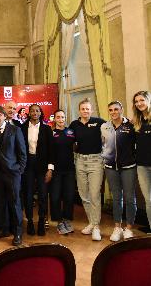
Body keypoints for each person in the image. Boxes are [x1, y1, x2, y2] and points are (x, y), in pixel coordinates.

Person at [0, 106, 26, 246]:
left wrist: (19, 170)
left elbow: (22, 153)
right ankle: (3, 229)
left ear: (5, 116)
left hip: (12, 173)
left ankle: (17, 233)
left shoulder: (15, 130)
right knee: (0, 203)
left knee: (15, 203)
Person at [69, 98, 105, 241]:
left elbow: (112, 130)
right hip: (80, 161)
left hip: (96, 161)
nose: (85, 111)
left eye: (88, 109)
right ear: (79, 110)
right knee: (84, 195)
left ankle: (96, 227)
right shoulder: (74, 124)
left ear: (91, 110)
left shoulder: (100, 122)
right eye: (83, 109)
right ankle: (91, 222)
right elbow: (68, 140)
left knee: (95, 194)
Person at [101, 101, 137, 241]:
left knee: (129, 198)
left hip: (128, 167)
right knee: (116, 198)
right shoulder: (104, 126)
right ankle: (117, 227)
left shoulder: (131, 125)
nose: (114, 112)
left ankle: (128, 228)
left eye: (116, 109)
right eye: (111, 110)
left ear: (121, 109)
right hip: (111, 168)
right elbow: (102, 144)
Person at [20, 104, 54, 236]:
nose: (35, 113)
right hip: (27, 166)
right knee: (28, 195)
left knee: (43, 195)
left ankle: (41, 221)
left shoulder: (46, 129)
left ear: (41, 113)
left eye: (37, 111)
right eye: (32, 111)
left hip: (42, 166)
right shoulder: (22, 128)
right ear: (29, 113)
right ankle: (29, 221)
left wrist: (50, 169)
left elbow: (52, 151)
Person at [49, 109, 76, 235]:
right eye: (58, 117)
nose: (60, 119)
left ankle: (66, 220)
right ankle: (58, 221)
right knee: (55, 197)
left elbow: (77, 146)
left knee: (69, 196)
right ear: (54, 119)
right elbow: (48, 152)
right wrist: (49, 169)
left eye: (63, 117)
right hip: (56, 171)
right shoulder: (51, 133)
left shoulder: (71, 132)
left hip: (69, 170)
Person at [133, 91, 151, 232]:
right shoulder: (137, 122)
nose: (139, 103)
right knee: (148, 200)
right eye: (136, 101)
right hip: (142, 165)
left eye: (142, 100)